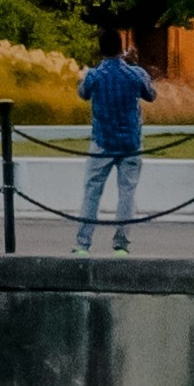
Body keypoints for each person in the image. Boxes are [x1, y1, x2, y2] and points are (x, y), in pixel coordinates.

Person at [77, 31, 157, 252]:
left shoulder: (94, 76)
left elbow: (82, 94)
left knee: (92, 192)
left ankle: (83, 243)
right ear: (121, 48)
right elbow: (151, 95)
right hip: (131, 142)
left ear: (100, 49)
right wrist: (134, 65)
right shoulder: (135, 74)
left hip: (102, 142)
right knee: (126, 194)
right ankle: (121, 243)